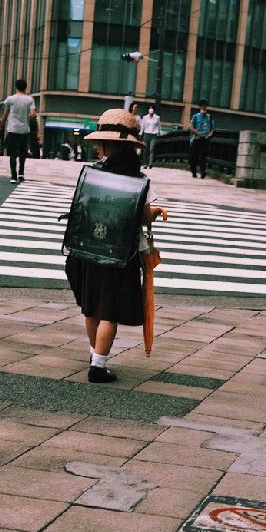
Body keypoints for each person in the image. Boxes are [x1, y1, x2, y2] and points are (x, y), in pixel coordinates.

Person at [65, 108, 166, 384]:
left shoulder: (92, 175)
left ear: (105, 146)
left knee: (91, 307)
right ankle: (98, 366)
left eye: (101, 144)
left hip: (87, 249)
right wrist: (155, 212)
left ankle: (94, 354)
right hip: (119, 254)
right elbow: (142, 217)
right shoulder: (138, 181)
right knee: (109, 311)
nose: (98, 149)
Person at [0, 78, 36, 183]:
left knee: (13, 154)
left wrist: (1, 126)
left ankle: (13, 177)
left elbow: (5, 114)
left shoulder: (10, 99)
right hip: (24, 130)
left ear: (16, 87)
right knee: (23, 153)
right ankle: (21, 174)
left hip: (12, 130)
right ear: (26, 87)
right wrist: (27, 116)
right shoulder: (30, 100)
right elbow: (33, 114)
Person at [189, 98, 215, 179]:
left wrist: (210, 134)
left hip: (205, 139)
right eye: (202, 106)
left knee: (204, 156)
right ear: (199, 107)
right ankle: (194, 171)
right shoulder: (195, 116)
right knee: (194, 156)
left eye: (205, 106)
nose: (204, 107)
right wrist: (197, 132)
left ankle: (203, 171)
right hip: (197, 138)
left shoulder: (210, 117)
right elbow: (191, 127)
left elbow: (212, 128)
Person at [140, 104, 161, 169]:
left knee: (152, 149)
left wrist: (159, 133)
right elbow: (142, 126)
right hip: (146, 134)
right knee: (145, 150)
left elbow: (159, 126)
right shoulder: (145, 117)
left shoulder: (157, 117)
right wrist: (141, 134)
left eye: (152, 109)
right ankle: (145, 164)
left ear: (154, 110)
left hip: (153, 135)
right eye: (150, 109)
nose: (151, 110)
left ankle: (150, 163)